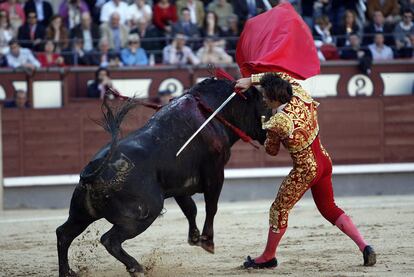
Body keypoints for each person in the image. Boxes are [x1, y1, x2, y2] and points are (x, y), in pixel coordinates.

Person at [234, 72, 377, 269]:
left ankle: (268, 256)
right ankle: (364, 246)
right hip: (324, 161)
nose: (264, 99)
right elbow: (282, 75)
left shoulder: (277, 122)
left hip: (305, 169)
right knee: (329, 207)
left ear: (275, 99)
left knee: (279, 209)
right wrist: (252, 80)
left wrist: (263, 124)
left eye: (266, 97)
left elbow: (271, 150)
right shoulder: (299, 92)